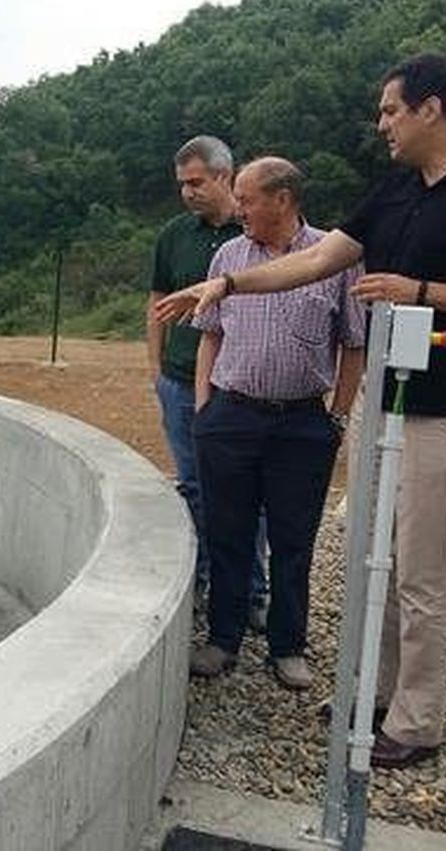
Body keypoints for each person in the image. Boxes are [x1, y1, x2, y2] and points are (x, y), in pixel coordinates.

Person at [154, 53, 446, 767]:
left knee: (427, 572)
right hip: (387, 403)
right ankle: (383, 692)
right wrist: (231, 285)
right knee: (380, 559)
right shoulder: (398, 189)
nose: (382, 125)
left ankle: (419, 720)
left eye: (390, 110)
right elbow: (316, 261)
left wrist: (423, 290)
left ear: (432, 108)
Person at [186, 158, 365, 687]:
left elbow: (353, 345)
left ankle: (288, 647)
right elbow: (210, 334)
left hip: (301, 424)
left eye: (247, 198)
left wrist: (337, 417)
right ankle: (223, 640)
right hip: (232, 416)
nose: (238, 208)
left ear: (282, 199)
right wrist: (205, 407)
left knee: (293, 540)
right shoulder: (229, 255)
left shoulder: (335, 256)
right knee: (227, 534)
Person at [147, 135, 266, 623]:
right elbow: (156, 302)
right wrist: (156, 368)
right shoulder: (175, 236)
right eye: (181, 185)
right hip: (178, 383)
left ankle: (252, 593)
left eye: (196, 182)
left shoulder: (257, 231)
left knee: (248, 492)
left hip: (238, 387)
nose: (187, 193)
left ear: (224, 177)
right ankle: (197, 583)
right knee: (194, 487)